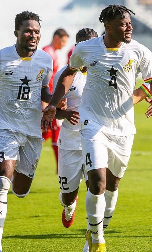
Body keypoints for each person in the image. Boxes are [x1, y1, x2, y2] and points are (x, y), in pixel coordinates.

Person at [42, 4, 152, 252]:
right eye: (123, 23)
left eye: (130, 23)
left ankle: (94, 230)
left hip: (123, 128)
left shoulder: (139, 51)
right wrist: (54, 105)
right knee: (96, 181)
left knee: (112, 185)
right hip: (93, 123)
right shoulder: (86, 48)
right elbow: (68, 72)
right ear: (107, 26)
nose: (129, 27)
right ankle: (97, 240)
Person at [0, 11, 53, 252]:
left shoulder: (46, 60)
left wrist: (55, 104)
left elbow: (43, 90)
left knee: (21, 190)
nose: (33, 35)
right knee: (2, 179)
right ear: (16, 32)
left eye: (36, 31)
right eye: (27, 30)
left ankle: (14, 176)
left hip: (33, 131)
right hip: (5, 126)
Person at [54, 28, 98, 229]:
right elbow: (52, 111)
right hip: (70, 141)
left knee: (96, 188)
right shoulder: (66, 74)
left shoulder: (105, 74)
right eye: (83, 46)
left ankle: (94, 234)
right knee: (68, 195)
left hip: (96, 141)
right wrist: (62, 112)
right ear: (77, 47)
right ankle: (69, 207)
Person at [42, 28, 69, 173]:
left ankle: (61, 167)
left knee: (47, 133)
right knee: (53, 134)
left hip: (52, 100)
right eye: (63, 41)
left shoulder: (52, 53)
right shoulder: (47, 53)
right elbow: (43, 81)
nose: (64, 45)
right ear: (57, 38)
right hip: (49, 101)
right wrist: (44, 104)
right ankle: (62, 168)